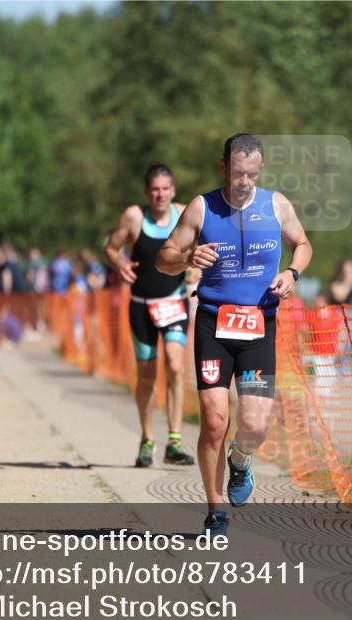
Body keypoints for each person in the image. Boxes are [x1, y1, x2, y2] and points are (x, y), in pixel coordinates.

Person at [157, 134, 312, 535]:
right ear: (224, 167)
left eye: (253, 174)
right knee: (213, 420)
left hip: (259, 325)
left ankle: (239, 462)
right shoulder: (202, 207)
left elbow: (303, 244)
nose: (245, 181)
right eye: (238, 172)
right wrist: (188, 258)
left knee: (256, 424)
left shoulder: (276, 205)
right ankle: (215, 507)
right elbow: (164, 259)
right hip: (213, 324)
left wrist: (292, 272)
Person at [105, 164, 196, 467]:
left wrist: (195, 267)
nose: (160, 194)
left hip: (173, 303)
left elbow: (200, 248)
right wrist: (118, 263)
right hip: (141, 305)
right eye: (155, 189)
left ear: (173, 191)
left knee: (175, 364)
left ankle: (175, 440)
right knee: (146, 377)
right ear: (147, 192)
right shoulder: (133, 216)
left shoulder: (184, 214)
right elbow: (111, 248)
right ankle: (147, 439)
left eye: (165, 188)